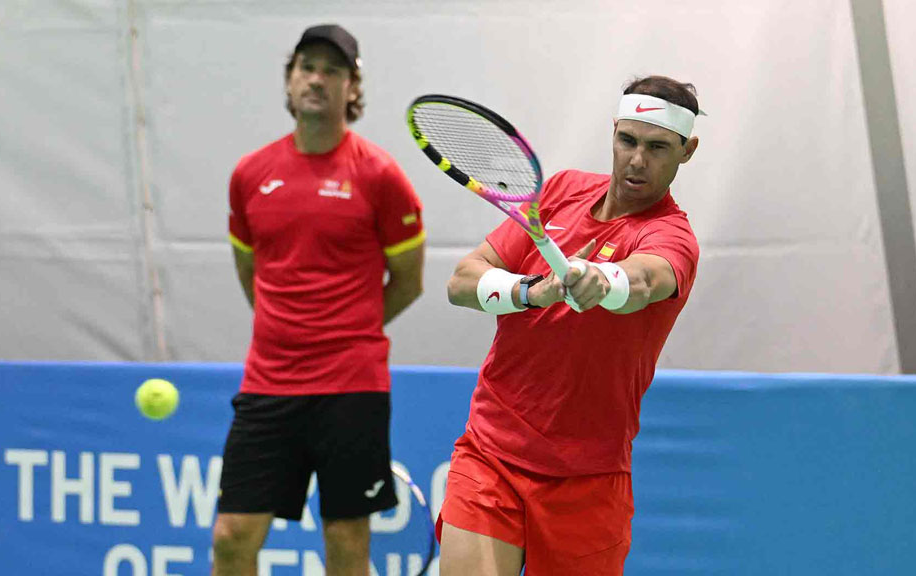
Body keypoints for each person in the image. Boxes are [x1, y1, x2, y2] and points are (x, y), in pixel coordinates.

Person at [438, 75, 703, 576]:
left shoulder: (673, 237)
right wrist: (528, 291)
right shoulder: (558, 192)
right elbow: (461, 282)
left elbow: (644, 281)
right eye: (627, 140)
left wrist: (603, 281)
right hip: (492, 450)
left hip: (588, 476)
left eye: (658, 147)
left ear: (687, 151)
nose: (637, 160)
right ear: (613, 133)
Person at [211, 24, 426, 576]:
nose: (317, 79)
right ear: (289, 80)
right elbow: (248, 267)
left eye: (333, 70)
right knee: (232, 537)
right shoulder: (249, 175)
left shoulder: (381, 176)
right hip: (268, 385)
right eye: (307, 66)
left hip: (351, 387)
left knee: (346, 542)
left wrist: (345, 329)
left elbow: (408, 279)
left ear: (352, 88)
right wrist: (288, 328)